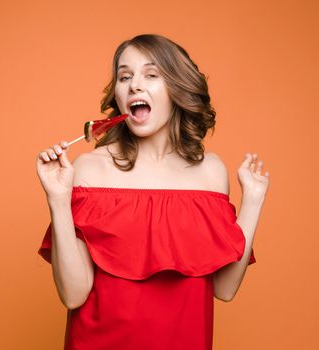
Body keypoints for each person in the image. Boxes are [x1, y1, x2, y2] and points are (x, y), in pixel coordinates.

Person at [35, 34, 269, 350]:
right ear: (117, 96)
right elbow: (74, 293)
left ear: (177, 87)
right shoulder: (90, 169)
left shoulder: (210, 172)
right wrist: (58, 199)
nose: (134, 85)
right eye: (124, 76)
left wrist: (252, 201)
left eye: (151, 74)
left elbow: (225, 288)